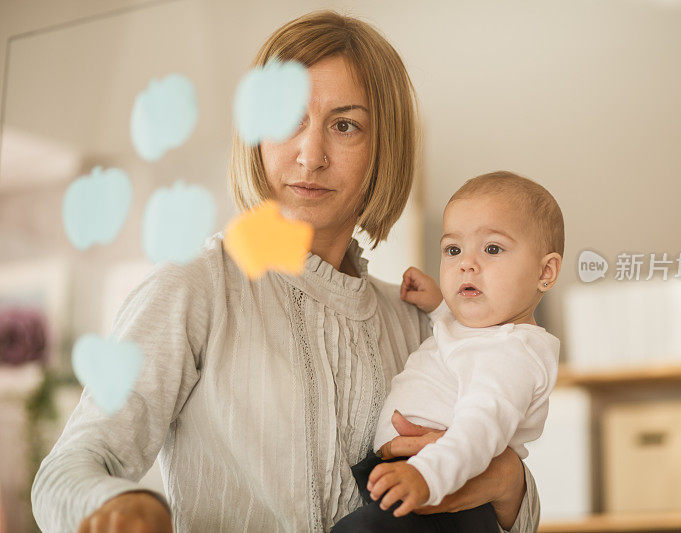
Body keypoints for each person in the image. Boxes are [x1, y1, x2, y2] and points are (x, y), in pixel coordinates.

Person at [31, 11, 541, 533]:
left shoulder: (417, 322)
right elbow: (67, 471)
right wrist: (114, 509)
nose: (309, 154)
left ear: (382, 147)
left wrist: (510, 482)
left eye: (345, 126)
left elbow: (503, 517)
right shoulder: (194, 290)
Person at [332, 171, 563, 532]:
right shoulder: (490, 337)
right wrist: (439, 306)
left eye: (492, 249)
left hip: (445, 497)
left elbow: (477, 431)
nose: (465, 264)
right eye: (453, 250)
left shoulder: (513, 357)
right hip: (423, 480)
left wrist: (425, 477)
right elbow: (463, 348)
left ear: (545, 271)